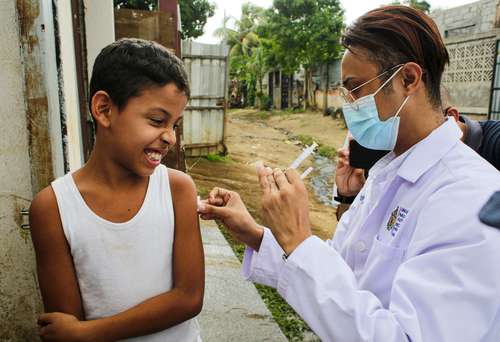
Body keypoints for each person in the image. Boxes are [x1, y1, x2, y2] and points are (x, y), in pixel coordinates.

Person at [198, 5, 500, 341]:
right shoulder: (387, 171)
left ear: (408, 79)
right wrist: (256, 234)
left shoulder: (468, 195)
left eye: (355, 88)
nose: (350, 104)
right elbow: (339, 269)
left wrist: (298, 239)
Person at [29, 38, 204, 341]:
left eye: (174, 124)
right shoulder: (54, 208)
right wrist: (78, 333)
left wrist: (89, 333)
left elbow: (189, 298)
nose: (170, 137)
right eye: (157, 120)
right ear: (104, 109)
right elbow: (66, 325)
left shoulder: (177, 190)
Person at [334, 87, 500, 220]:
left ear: (451, 117)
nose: (405, 144)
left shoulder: (493, 146)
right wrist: (349, 197)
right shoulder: (390, 158)